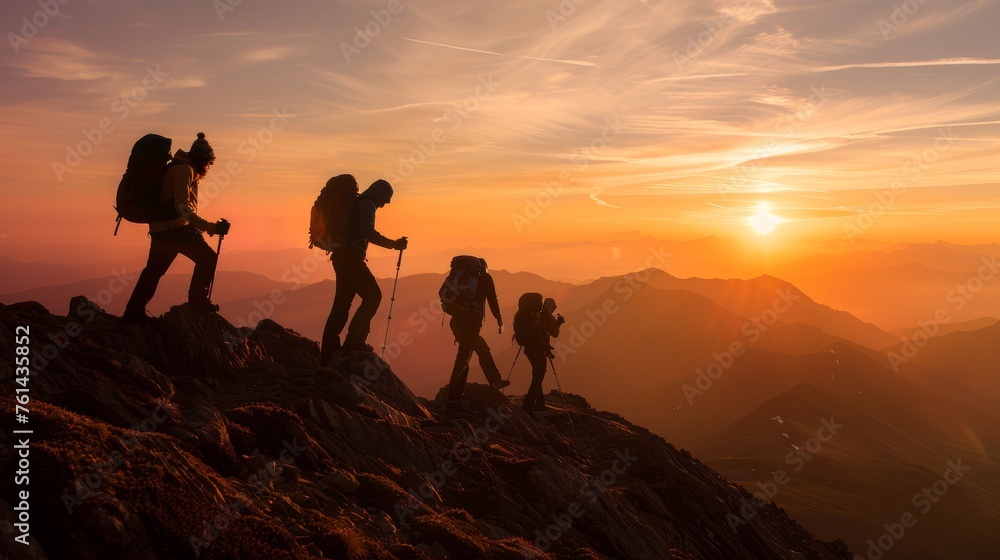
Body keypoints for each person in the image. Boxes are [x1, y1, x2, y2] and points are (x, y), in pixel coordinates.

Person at [123, 133, 230, 324]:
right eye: (209, 163)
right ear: (203, 160)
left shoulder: (180, 168)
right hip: (175, 230)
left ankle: (133, 312)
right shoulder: (184, 170)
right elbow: (182, 207)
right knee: (207, 259)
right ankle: (197, 302)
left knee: (154, 271)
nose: (208, 168)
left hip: (162, 230)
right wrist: (210, 227)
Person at [320, 179, 407, 364]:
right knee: (373, 295)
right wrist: (393, 244)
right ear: (379, 193)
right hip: (351, 258)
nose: (387, 203)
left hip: (341, 257)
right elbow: (366, 231)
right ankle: (354, 341)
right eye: (386, 198)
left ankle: (327, 354)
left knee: (342, 305)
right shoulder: (367, 203)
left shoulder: (360, 203)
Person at [445, 258, 509, 414]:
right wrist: (498, 318)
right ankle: (454, 396)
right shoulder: (485, 278)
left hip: (456, 320)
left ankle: (494, 379)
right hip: (472, 321)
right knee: (464, 357)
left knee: (480, 347)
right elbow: (492, 298)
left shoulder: (458, 275)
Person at [522, 297, 564, 414]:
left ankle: (540, 403)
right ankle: (527, 406)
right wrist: (558, 323)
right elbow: (555, 333)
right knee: (538, 377)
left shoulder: (537, 316)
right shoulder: (548, 317)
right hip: (539, 350)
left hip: (529, 349)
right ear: (551, 307)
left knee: (537, 374)